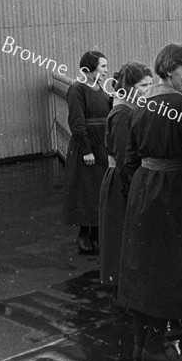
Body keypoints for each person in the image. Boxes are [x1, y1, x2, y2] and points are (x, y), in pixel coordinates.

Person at [119, 43, 182, 361]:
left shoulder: (143, 103)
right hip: (170, 192)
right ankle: (155, 351)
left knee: (144, 267)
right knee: (167, 267)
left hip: (145, 189)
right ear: (169, 69)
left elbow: (129, 157)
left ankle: (142, 345)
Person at [99, 62, 153, 292]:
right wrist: (134, 189)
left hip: (124, 177)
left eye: (151, 84)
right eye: (143, 85)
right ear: (129, 87)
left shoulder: (130, 107)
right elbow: (124, 158)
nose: (149, 90)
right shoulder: (122, 113)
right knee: (123, 235)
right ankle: (125, 289)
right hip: (122, 181)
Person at [62, 50, 111, 254]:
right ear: (89, 68)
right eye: (103, 67)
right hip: (88, 146)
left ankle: (96, 233)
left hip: (102, 144)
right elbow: (76, 122)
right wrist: (86, 150)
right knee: (86, 190)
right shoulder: (77, 89)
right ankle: (84, 234)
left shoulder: (100, 87)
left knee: (99, 189)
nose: (106, 71)